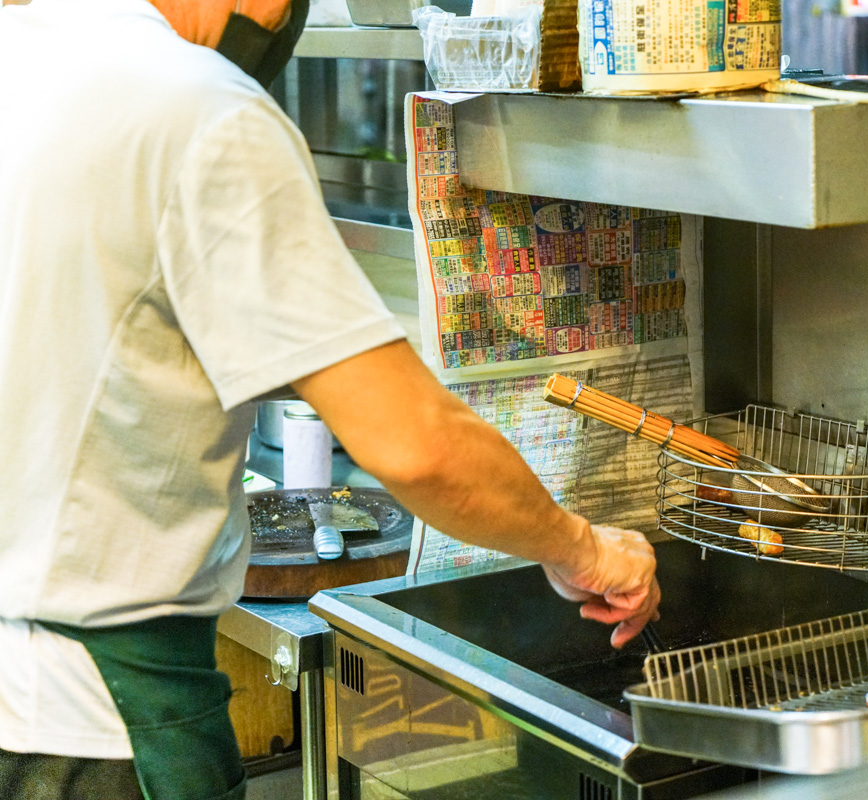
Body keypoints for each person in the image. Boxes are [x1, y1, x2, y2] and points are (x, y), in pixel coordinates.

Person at [0, 0, 661, 797]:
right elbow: (418, 448)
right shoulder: (197, 107)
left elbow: (77, 321)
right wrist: (582, 549)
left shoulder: (29, 59)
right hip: (91, 720)